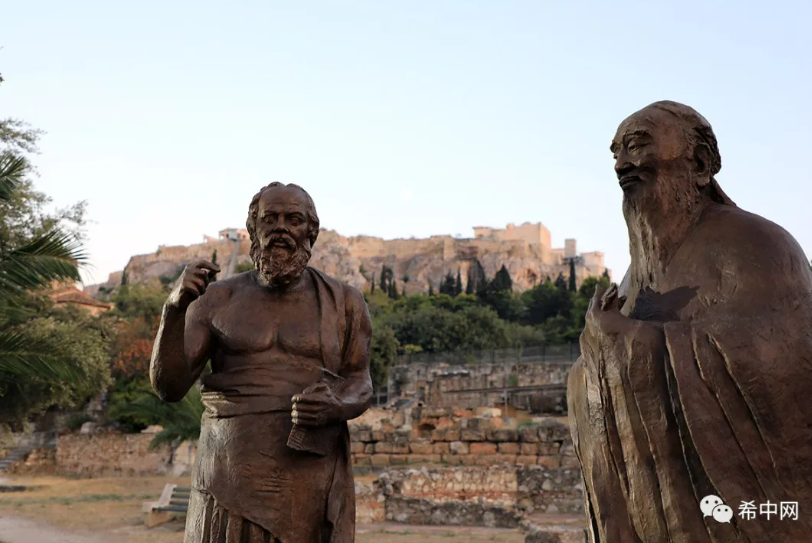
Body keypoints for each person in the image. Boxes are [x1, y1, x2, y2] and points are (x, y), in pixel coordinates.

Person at [568, 101, 812, 543]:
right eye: (616, 152)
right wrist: (599, 352)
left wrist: (633, 342)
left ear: (700, 164)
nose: (622, 164)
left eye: (637, 145)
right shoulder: (634, 275)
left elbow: (781, 358)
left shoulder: (758, 243)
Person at [150, 182, 373, 543]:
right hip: (226, 475)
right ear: (253, 228)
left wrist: (336, 404)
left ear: (311, 232)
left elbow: (360, 380)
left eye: (293, 220)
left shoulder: (345, 303)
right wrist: (173, 310)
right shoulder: (216, 299)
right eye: (270, 219)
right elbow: (169, 387)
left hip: (307, 480)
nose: (281, 228)